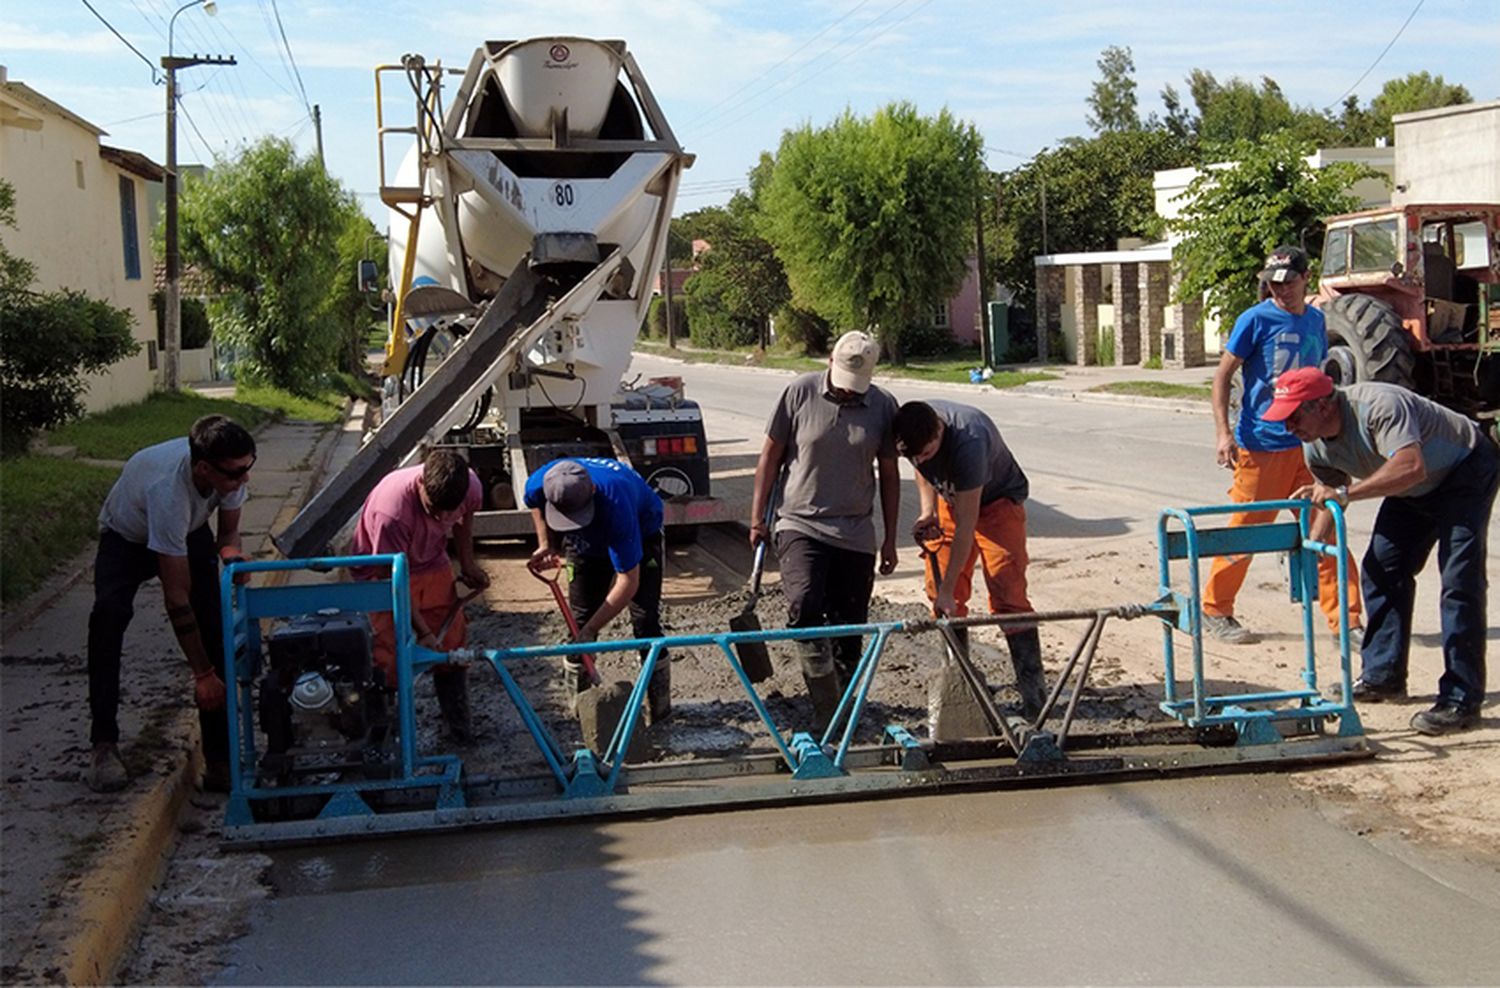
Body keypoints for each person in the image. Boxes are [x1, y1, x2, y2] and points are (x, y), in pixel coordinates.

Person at [1265, 366, 1497, 735]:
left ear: (1323, 405)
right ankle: (1383, 674)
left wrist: (1343, 494)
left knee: (1459, 581)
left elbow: (1410, 465)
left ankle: (1461, 698)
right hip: (1414, 488)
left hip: (1464, 470)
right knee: (1381, 569)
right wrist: (1312, 545)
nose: (1288, 427)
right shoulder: (1314, 443)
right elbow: (1330, 494)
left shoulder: (1378, 406)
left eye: (1293, 415)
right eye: (1284, 418)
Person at [86, 415, 256, 793]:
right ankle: (103, 746)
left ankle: (220, 763)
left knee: (216, 629)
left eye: (248, 468)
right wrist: (201, 675)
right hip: (126, 536)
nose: (243, 479)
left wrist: (232, 556)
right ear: (202, 468)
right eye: (234, 474)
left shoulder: (230, 471)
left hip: (190, 530)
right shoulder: (168, 491)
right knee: (108, 617)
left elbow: (228, 531)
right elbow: (176, 597)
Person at [1205, 244, 1362, 645]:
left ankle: (1346, 621)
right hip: (1262, 445)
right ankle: (1216, 608)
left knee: (1327, 527)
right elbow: (1222, 377)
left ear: (1306, 278)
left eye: (1289, 282)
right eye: (1273, 284)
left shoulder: (1315, 320)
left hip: (1310, 446)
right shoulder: (1254, 320)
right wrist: (1224, 433)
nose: (1281, 290)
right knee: (1245, 532)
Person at [749, 330, 901, 727]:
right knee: (805, 605)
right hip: (800, 521)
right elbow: (769, 457)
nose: (850, 393)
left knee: (850, 620)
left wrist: (889, 538)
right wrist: (756, 517)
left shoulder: (882, 405)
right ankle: (825, 705)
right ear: (830, 363)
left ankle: (845, 704)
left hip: (855, 528)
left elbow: (889, 472)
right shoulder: (798, 393)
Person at [892, 399, 1046, 716]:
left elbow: (966, 526)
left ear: (939, 431)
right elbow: (922, 467)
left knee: (1007, 590)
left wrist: (950, 591)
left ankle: (1034, 698)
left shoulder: (970, 441)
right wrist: (928, 510)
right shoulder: (913, 428)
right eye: (912, 455)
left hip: (996, 503)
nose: (918, 459)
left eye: (926, 452)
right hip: (951, 501)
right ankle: (961, 689)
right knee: (940, 591)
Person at [351, 447, 490, 743]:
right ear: (421, 485)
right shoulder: (392, 513)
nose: (443, 516)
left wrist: (467, 563)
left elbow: (465, 522)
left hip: (430, 558)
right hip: (382, 569)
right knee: (389, 652)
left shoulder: (470, 486)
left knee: (452, 646)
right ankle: (383, 738)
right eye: (434, 508)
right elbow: (394, 582)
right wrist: (423, 631)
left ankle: (458, 729)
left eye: (450, 510)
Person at [525, 457, 670, 721]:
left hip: (641, 529)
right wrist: (545, 541)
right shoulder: (540, 482)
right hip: (585, 543)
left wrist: (593, 629)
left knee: (645, 620)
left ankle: (660, 711)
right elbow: (533, 503)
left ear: (592, 491)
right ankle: (581, 714)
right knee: (578, 625)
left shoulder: (617, 504)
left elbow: (628, 581)